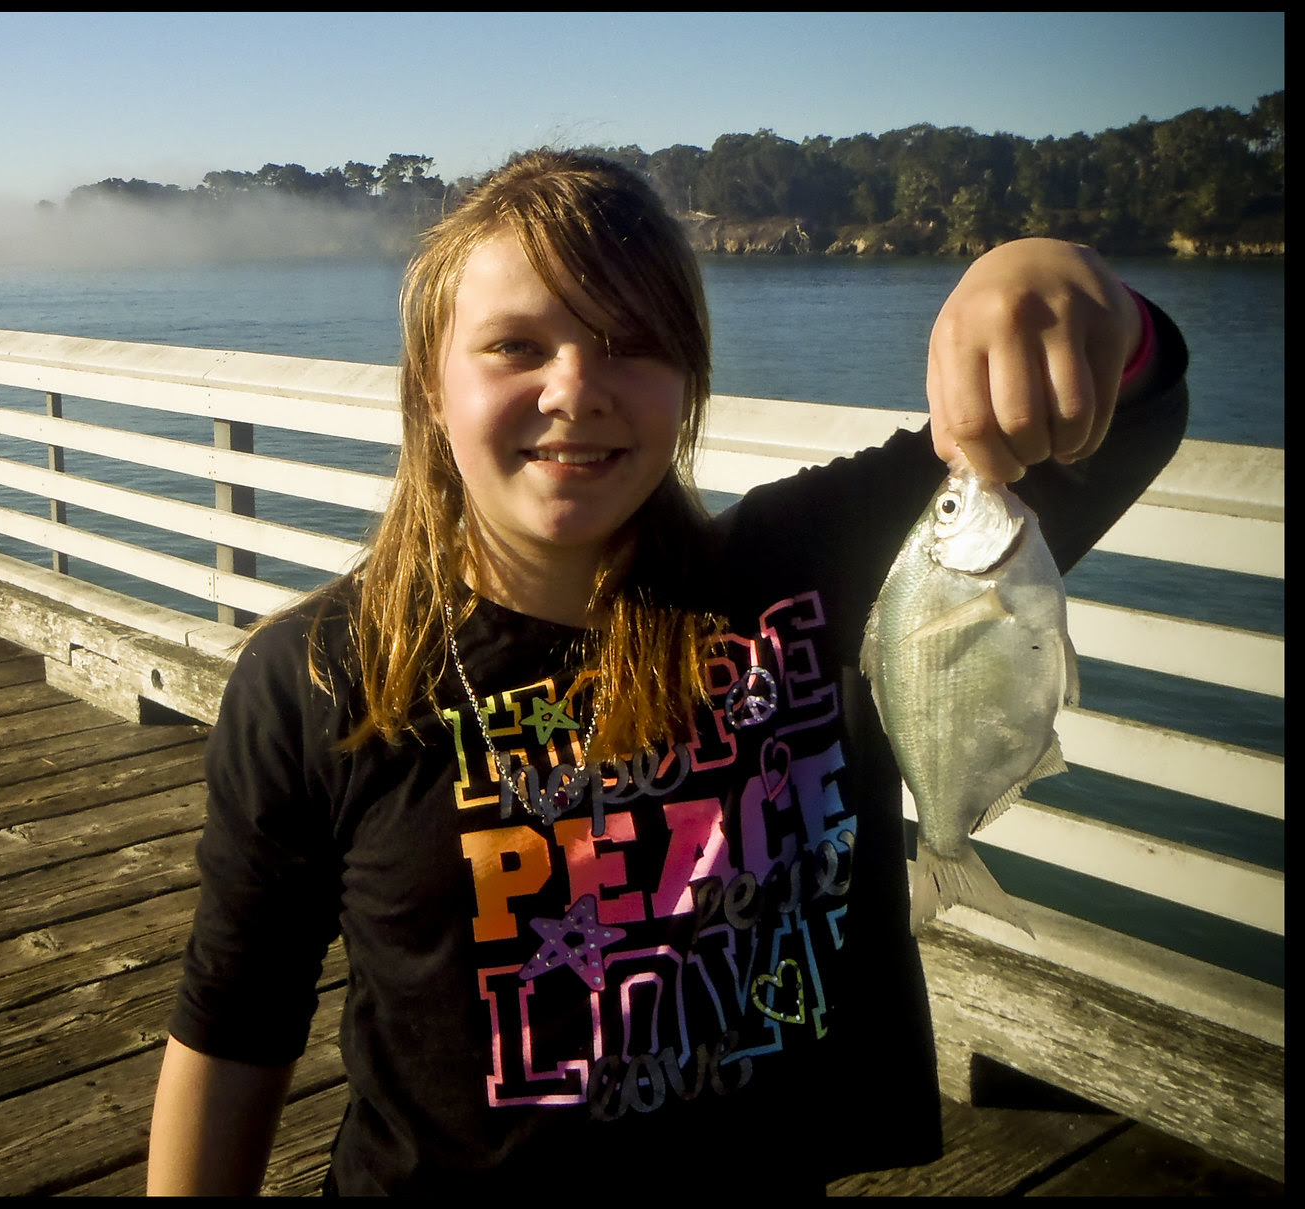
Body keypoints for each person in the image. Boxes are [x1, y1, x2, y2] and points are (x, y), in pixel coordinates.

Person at [147, 148, 1186, 1195]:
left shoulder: (805, 575)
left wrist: (1043, 276)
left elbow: (1118, 418)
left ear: (687, 381)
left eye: (631, 344)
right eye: (515, 346)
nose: (574, 389)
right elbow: (235, 1022)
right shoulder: (320, 678)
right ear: (430, 385)